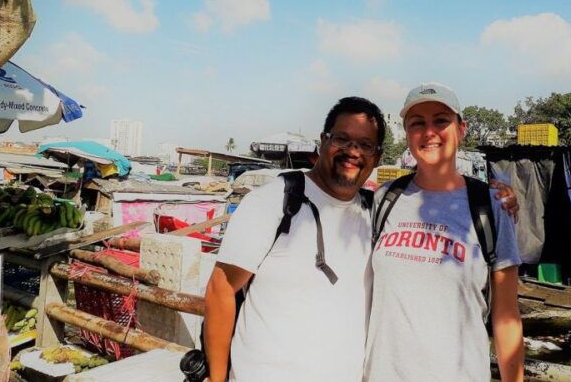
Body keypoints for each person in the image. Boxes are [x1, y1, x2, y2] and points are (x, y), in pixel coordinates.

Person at [204, 96, 518, 382]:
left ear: (378, 155)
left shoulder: (374, 207)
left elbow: (505, 312)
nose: (353, 151)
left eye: (365, 144)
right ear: (323, 141)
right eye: (342, 139)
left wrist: (498, 196)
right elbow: (221, 289)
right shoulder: (275, 200)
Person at [363, 83, 524, 382]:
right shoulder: (384, 199)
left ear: (461, 129)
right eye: (417, 123)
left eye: (440, 120)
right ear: (407, 133)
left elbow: (506, 316)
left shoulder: (491, 206)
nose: (429, 132)